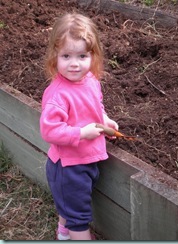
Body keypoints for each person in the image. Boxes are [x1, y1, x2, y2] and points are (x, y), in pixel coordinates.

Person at [40, 12, 118, 240]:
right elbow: (49, 130)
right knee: (79, 218)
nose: (74, 64)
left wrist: (104, 120)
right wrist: (81, 133)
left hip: (85, 160)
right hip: (68, 167)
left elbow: (95, 106)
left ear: (93, 55)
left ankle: (63, 233)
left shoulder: (91, 81)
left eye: (82, 56)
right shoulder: (58, 95)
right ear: (55, 56)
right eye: (66, 56)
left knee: (71, 206)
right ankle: (74, 234)